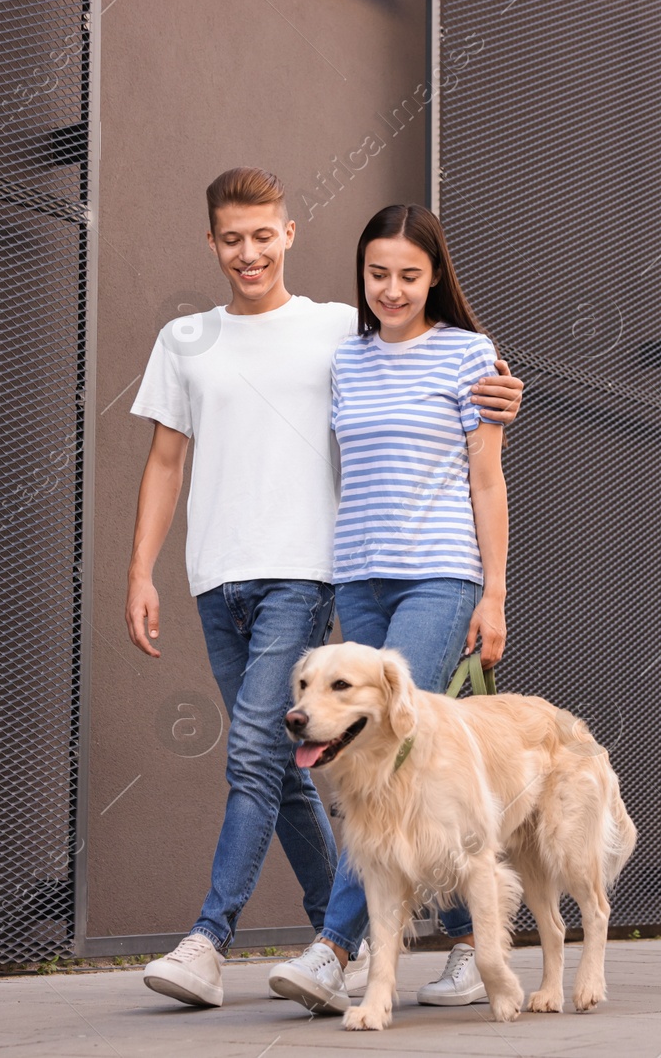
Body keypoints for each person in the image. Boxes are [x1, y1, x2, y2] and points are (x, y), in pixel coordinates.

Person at [128, 169, 523, 1008]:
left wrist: (493, 589)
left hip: (374, 573)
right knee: (324, 768)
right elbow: (166, 459)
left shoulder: (370, 332)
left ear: (289, 234)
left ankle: (278, 943)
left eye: (263, 234)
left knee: (279, 756)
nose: (391, 289)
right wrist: (141, 572)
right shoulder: (337, 345)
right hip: (320, 577)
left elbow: (483, 456)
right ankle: (434, 932)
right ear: (211, 243)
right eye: (231, 238)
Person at [267, 204, 508, 1015]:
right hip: (360, 579)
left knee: (376, 763)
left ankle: (336, 950)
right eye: (378, 274)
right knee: (408, 767)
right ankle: (472, 941)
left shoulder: (471, 354)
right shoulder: (348, 358)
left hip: (439, 575)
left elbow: (485, 479)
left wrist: (495, 592)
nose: (393, 289)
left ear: (435, 275)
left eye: (409, 274)